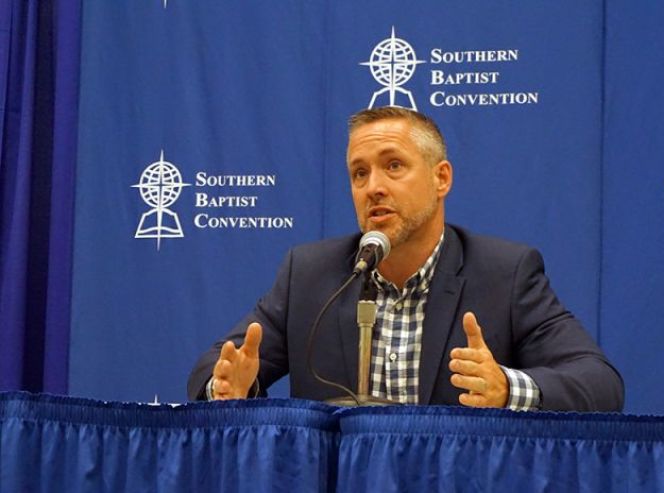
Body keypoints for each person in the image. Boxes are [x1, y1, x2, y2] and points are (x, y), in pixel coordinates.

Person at [187, 107, 624, 411]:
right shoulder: (311, 275)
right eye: (359, 173)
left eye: (393, 166)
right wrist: (228, 386)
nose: (373, 186)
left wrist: (507, 389)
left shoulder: (504, 274)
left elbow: (600, 384)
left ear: (441, 178)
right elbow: (216, 368)